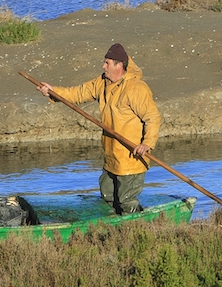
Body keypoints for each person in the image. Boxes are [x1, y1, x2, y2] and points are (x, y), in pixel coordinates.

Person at [35, 43, 161, 215]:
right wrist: (52, 92)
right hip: (111, 157)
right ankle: (112, 231)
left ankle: (135, 230)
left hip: (132, 158)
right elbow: (77, 93)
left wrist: (147, 144)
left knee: (126, 201)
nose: (103, 66)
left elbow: (152, 118)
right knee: (107, 196)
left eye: (107, 63)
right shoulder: (101, 83)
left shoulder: (136, 88)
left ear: (119, 65)